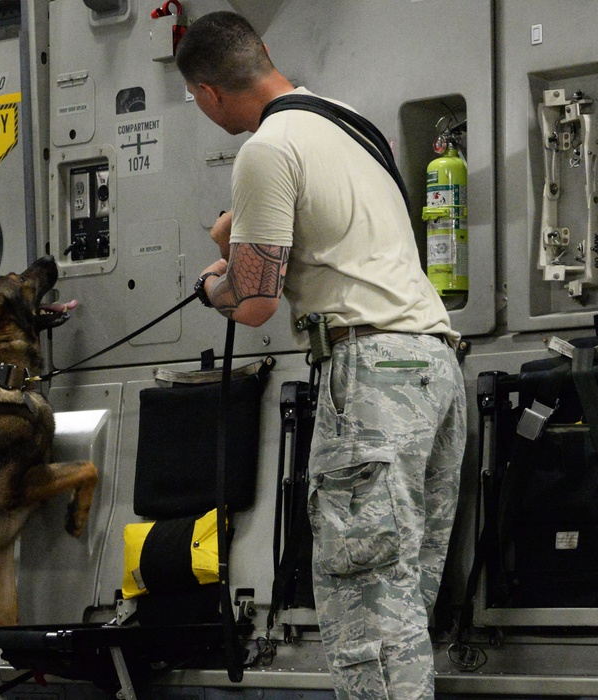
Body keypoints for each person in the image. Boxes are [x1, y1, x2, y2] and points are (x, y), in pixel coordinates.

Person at [176, 12, 466, 700]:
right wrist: (237, 229)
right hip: (435, 365)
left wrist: (213, 285)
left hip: (371, 377)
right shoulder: (345, 121)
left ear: (208, 95)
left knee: (368, 616)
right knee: (402, 611)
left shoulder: (266, 149)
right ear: (265, 56)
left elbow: (254, 301)